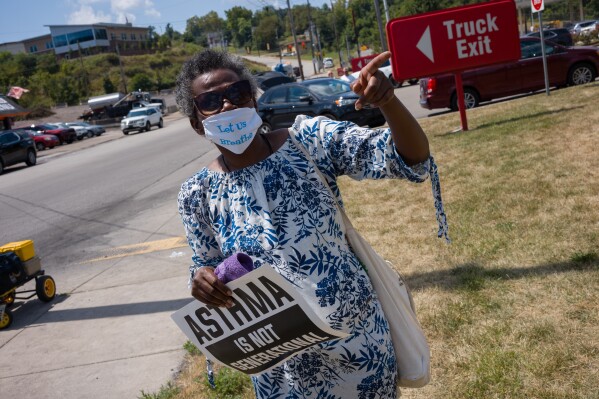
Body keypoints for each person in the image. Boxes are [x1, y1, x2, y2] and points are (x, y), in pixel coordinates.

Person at [175, 48, 448, 398]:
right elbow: (204, 263)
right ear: (198, 122)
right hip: (279, 367)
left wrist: (388, 101)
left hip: (356, 345)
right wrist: (201, 281)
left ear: (254, 100)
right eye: (210, 101)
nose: (227, 105)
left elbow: (409, 157)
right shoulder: (196, 194)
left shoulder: (309, 141)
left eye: (237, 93)